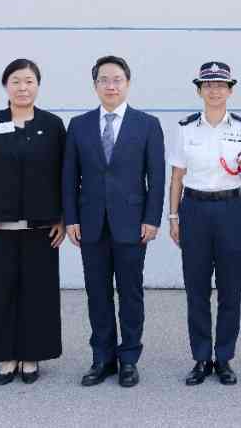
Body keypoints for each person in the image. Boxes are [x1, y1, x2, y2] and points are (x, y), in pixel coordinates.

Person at [62, 55, 165, 388]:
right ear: (95, 86)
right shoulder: (79, 125)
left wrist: (152, 218)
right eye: (104, 80)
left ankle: (129, 358)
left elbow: (157, 177)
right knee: (97, 292)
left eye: (117, 79)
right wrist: (71, 218)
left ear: (128, 83)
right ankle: (102, 358)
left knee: (131, 292)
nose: (111, 85)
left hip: (132, 223)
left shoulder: (147, 124)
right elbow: (69, 177)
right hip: (90, 222)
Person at [0, 59, 67, 385]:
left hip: (42, 229)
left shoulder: (53, 125)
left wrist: (63, 218)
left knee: (38, 294)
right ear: (5, 86)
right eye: (16, 81)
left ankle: (32, 355)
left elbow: (65, 175)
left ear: (38, 85)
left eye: (29, 81)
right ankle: (6, 355)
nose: (23, 88)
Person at [167, 62, 241, 386]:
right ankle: (201, 357)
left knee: (230, 288)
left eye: (221, 85)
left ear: (230, 90)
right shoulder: (186, 128)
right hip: (194, 209)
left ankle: (225, 357)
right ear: (199, 91)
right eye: (208, 85)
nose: (214, 91)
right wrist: (173, 216)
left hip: (230, 209)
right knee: (197, 289)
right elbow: (177, 176)